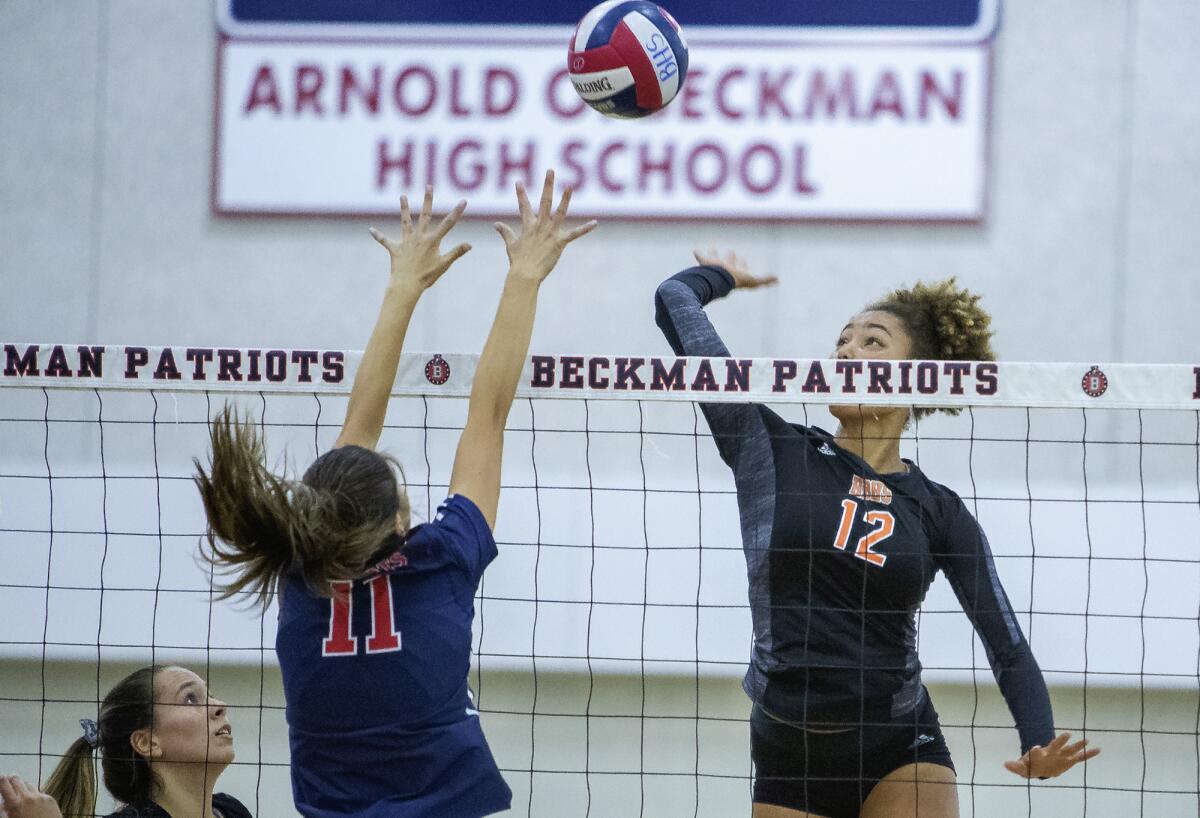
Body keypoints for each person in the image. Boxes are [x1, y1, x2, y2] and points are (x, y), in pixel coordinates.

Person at [193, 173, 595, 817]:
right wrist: (524, 277)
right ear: (401, 518)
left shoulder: (301, 567)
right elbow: (487, 413)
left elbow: (362, 439)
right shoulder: (440, 559)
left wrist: (402, 288)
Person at [654, 250, 1099, 818]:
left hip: (899, 742)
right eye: (842, 340)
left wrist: (1037, 737)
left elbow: (1004, 639)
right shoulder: (769, 446)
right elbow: (673, 299)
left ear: (918, 377)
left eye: (872, 341)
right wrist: (726, 278)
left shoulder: (939, 510)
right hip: (789, 747)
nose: (846, 351)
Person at [0, 665, 249, 818]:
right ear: (147, 742)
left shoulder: (230, 810)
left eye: (211, 695)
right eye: (191, 699)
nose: (219, 706)